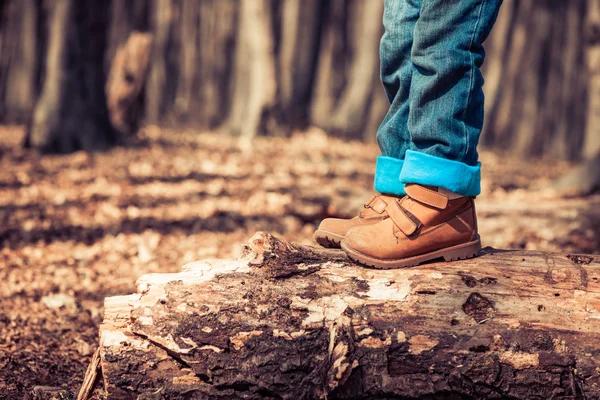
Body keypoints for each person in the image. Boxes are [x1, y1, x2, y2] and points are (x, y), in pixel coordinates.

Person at [314, 0, 503, 269]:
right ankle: (400, 191)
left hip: (444, 197)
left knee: (443, 37)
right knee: (400, 40)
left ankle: (442, 197)